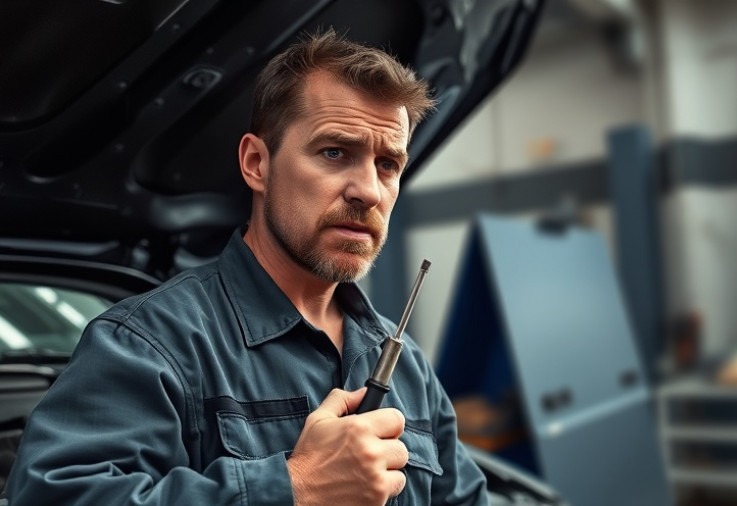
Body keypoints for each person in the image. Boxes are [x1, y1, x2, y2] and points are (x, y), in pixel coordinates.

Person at [5, 30, 489, 505]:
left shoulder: (407, 366)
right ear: (257, 162)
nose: (368, 190)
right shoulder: (150, 344)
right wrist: (294, 486)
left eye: (387, 165)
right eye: (335, 152)